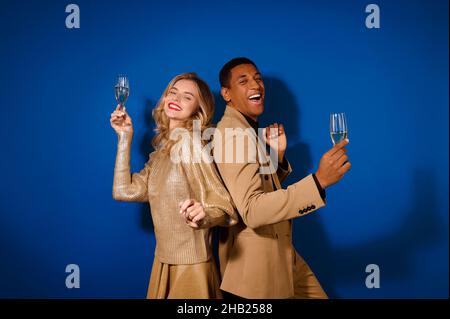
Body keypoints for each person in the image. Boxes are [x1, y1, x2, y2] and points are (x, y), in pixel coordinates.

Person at [213, 57, 351, 299]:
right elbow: (252, 210)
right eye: (243, 81)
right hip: (257, 273)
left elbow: (249, 189)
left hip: (282, 257)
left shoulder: (245, 129)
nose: (255, 85)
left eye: (257, 78)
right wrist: (319, 181)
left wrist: (276, 157)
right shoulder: (233, 135)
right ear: (226, 93)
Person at [110, 72, 238, 299]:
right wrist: (124, 138)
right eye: (173, 92)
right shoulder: (161, 154)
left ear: (198, 109)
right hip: (163, 261)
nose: (176, 99)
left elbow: (223, 206)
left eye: (187, 97)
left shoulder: (191, 144)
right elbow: (123, 191)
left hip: (192, 267)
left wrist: (204, 215)